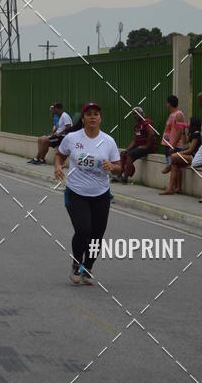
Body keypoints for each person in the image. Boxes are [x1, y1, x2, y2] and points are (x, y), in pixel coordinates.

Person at [54, 101, 121, 285]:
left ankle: (88, 268)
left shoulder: (108, 141)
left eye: (96, 114)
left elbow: (119, 167)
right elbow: (59, 155)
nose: (93, 117)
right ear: (83, 118)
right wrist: (58, 166)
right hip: (76, 192)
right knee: (83, 230)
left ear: (100, 118)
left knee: (97, 235)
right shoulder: (72, 138)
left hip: (101, 194)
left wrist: (112, 166)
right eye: (89, 114)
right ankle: (76, 264)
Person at [160, 116, 201, 196]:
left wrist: (179, 154)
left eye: (189, 122)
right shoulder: (193, 133)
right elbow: (185, 141)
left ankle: (168, 169)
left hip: (194, 157)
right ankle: (177, 188)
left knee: (173, 157)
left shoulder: (197, 133)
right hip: (190, 156)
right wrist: (183, 131)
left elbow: (191, 150)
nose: (188, 123)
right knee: (175, 164)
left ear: (193, 123)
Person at [116, 107, 157, 183]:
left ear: (141, 113)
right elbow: (135, 140)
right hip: (139, 147)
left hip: (149, 147)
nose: (134, 116)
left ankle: (125, 178)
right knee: (123, 154)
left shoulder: (146, 122)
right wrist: (127, 149)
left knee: (130, 155)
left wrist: (147, 146)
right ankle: (119, 175)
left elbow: (151, 134)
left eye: (136, 114)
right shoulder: (137, 125)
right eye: (133, 114)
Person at [161, 95, 185, 174]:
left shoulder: (178, 114)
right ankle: (174, 182)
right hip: (168, 144)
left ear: (169, 104)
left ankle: (176, 182)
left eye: (167, 103)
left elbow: (180, 130)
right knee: (173, 167)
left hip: (174, 145)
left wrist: (173, 145)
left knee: (175, 167)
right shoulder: (172, 114)